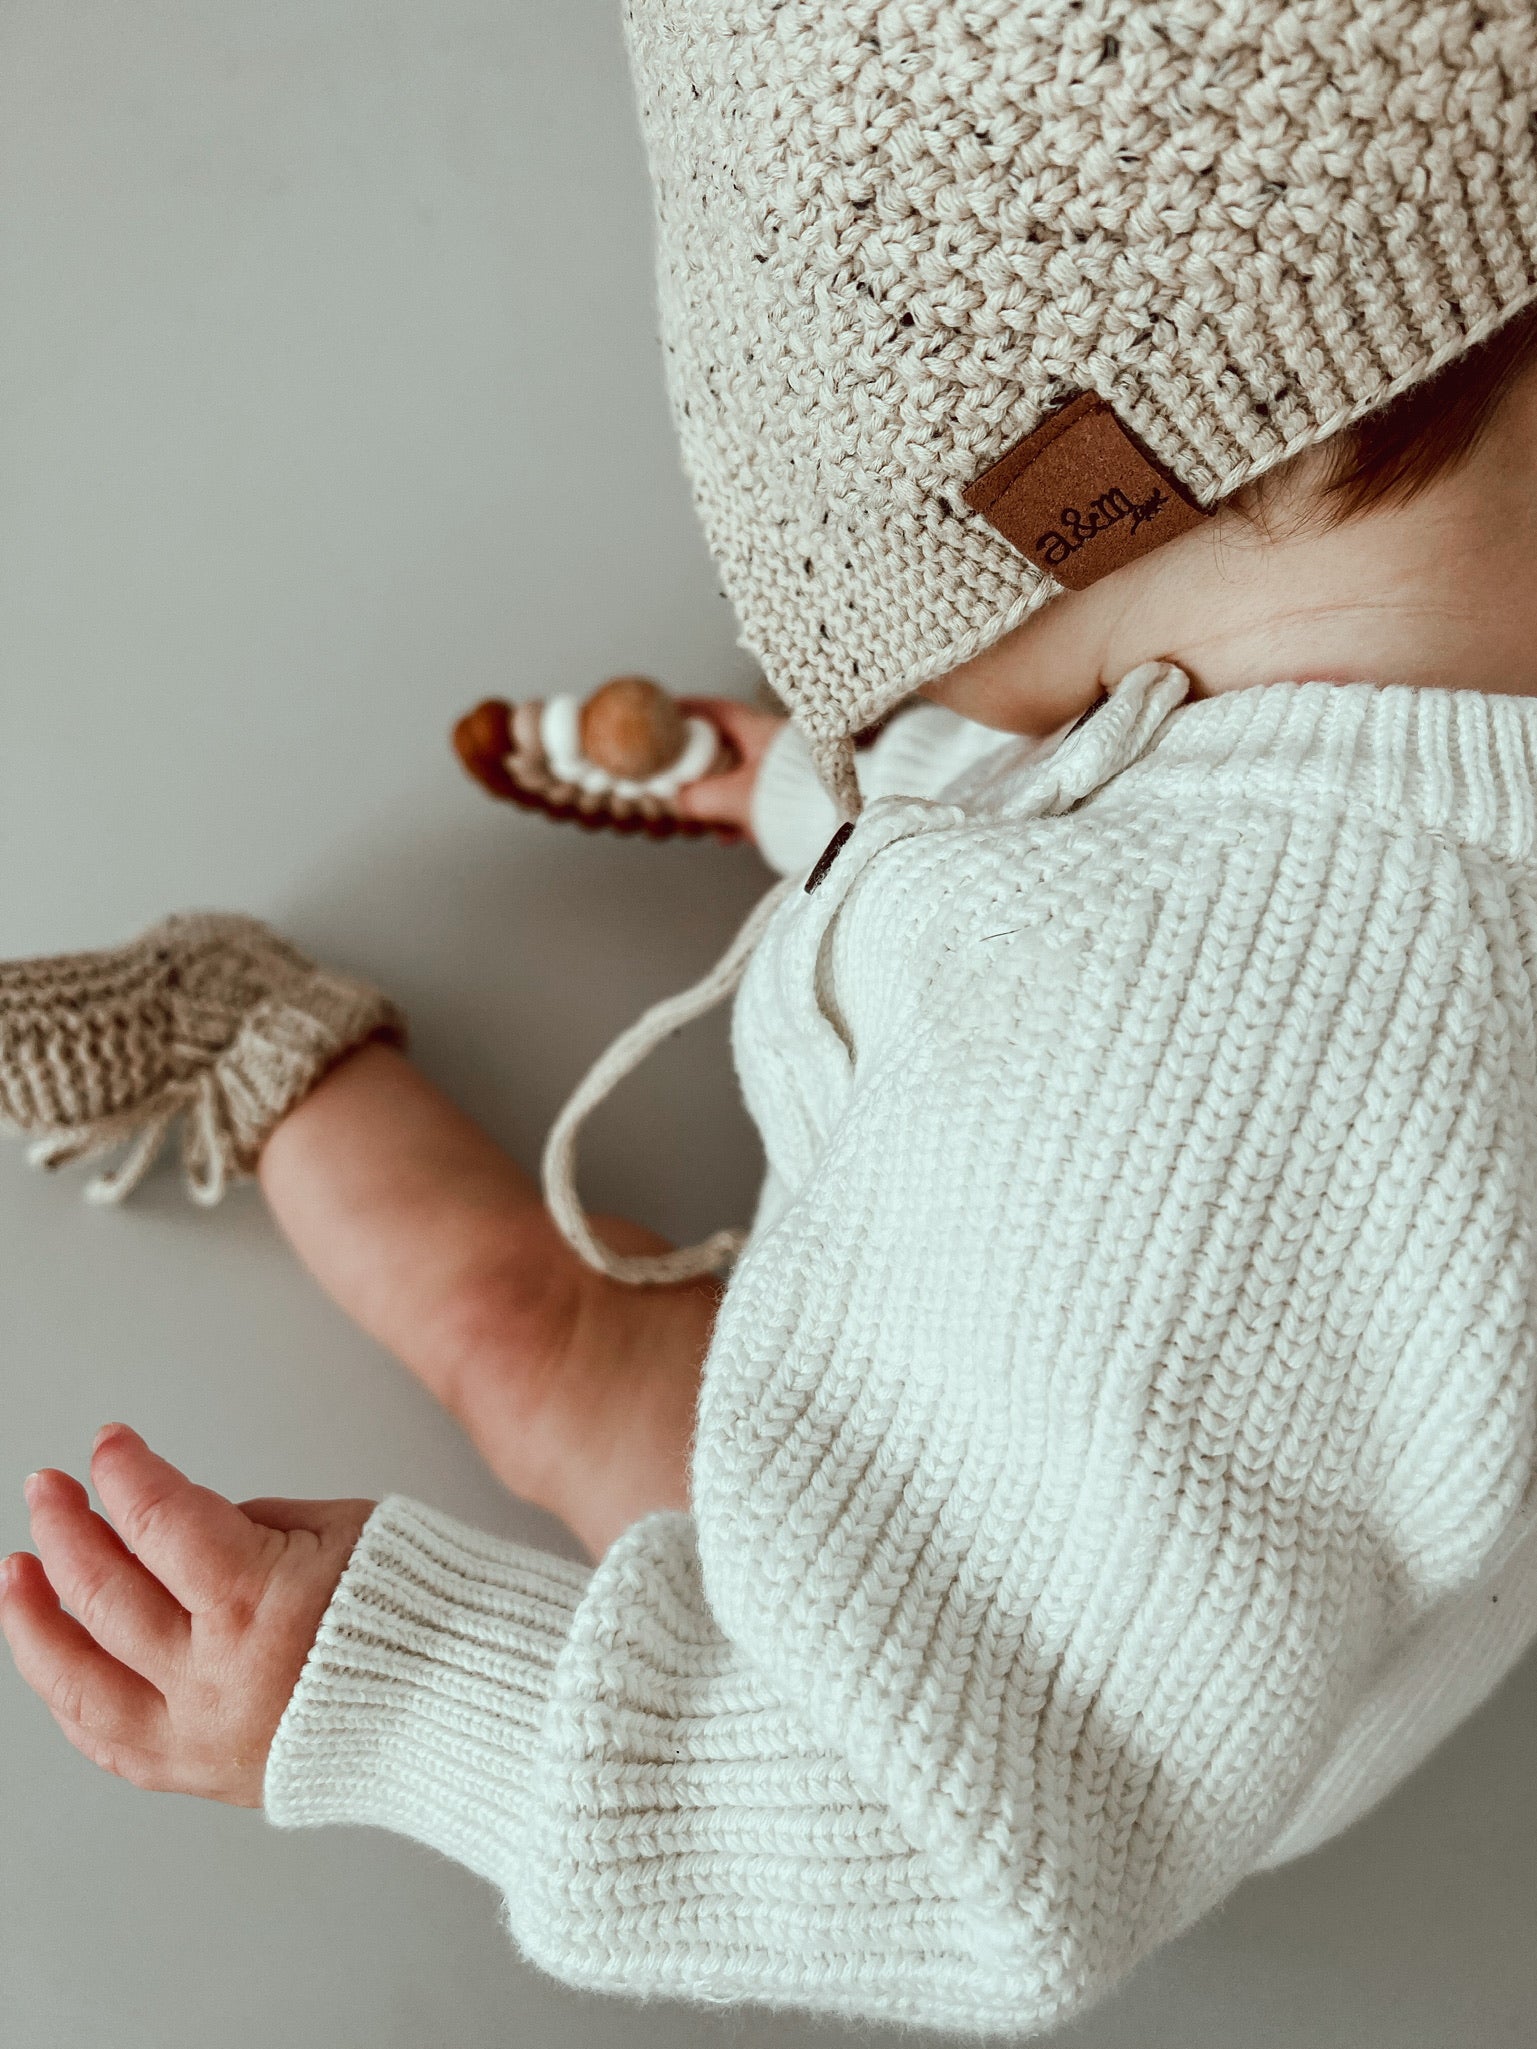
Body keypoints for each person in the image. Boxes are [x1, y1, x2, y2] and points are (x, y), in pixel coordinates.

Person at [5, 5, 1537, 2033]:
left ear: (1131, 492)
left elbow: (938, 1840)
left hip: (1051, 1672)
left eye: (908, 595)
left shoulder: (1225, 1096)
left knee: (532, 1349)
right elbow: (1121, 799)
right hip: (1122, 1365)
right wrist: (839, 794)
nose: (863, 660)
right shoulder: (1359, 684)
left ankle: (257, 1040)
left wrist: (371, 1686)